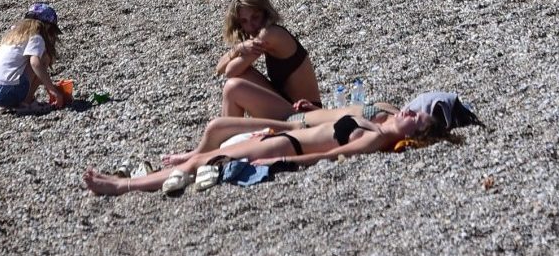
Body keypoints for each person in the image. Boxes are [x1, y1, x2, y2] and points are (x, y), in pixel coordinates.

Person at [82, 106, 438, 196]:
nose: (409, 112)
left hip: (289, 146)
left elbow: (329, 156)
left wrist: (282, 160)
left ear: (415, 134)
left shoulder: (375, 139)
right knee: (202, 157)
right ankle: (130, 181)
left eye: (415, 118)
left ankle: (122, 186)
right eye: (413, 109)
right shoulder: (378, 122)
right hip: (286, 135)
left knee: (202, 161)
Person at [215, 0, 320, 119]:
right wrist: (237, 49)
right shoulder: (263, 33)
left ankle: (228, 130)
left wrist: (239, 49)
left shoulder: (270, 34)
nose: (251, 25)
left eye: (255, 17)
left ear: (265, 13)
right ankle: (228, 130)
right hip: (291, 106)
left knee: (233, 87)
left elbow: (230, 71)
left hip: (306, 114)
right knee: (242, 74)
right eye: (244, 21)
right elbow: (219, 68)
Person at [0, 3, 67, 110]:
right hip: (6, 92)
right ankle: (26, 102)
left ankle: (8, 104)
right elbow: (35, 63)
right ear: (46, 26)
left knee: (24, 63)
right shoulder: (36, 37)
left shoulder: (13, 36)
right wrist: (52, 89)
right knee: (44, 58)